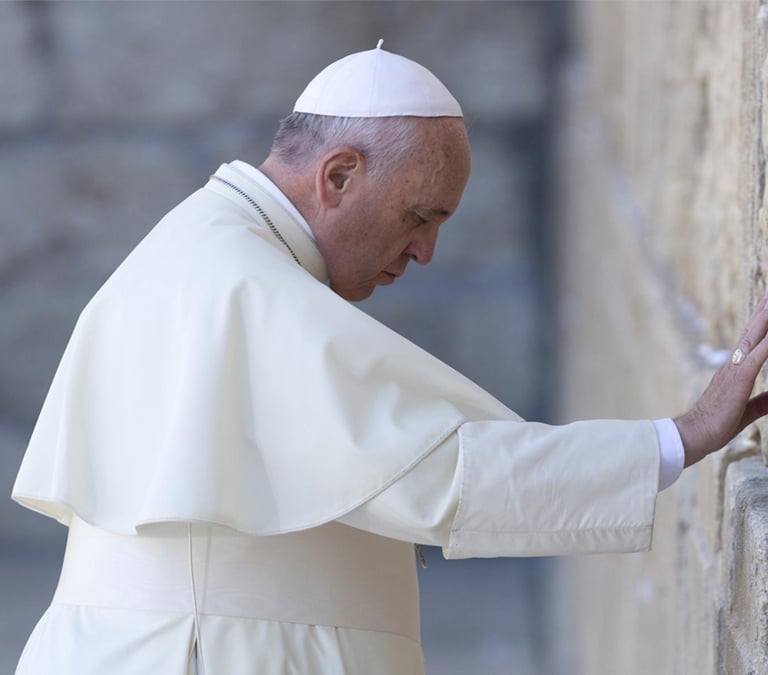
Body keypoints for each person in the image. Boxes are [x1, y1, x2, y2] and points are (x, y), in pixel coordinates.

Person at [11, 42, 768, 675]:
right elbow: (445, 471)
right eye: (419, 215)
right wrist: (684, 435)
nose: (426, 252)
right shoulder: (245, 287)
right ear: (338, 176)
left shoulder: (208, 247)